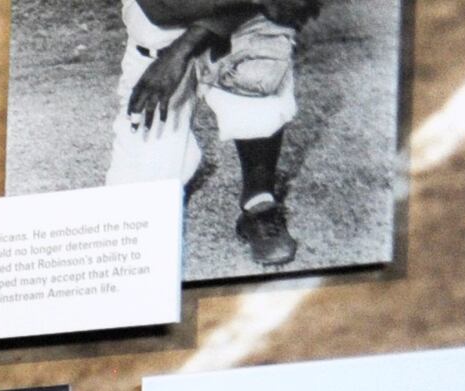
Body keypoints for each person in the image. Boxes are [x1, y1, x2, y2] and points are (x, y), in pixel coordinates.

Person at [113, 0, 320, 270]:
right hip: (160, 45)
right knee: (135, 210)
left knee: (261, 50)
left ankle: (259, 202)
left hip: (237, 28)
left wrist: (188, 43)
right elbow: (161, 9)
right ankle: (180, 157)